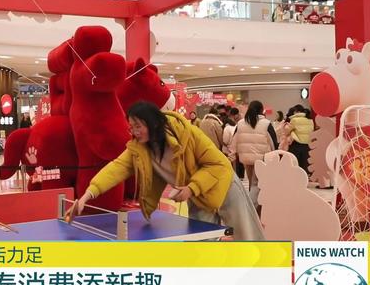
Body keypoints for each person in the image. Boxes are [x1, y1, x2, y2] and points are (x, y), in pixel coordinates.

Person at [74, 101, 264, 241]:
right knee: (201, 240)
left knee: (247, 236)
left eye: (138, 126)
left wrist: (191, 188)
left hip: (224, 185)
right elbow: (116, 168)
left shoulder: (188, 134)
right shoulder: (139, 148)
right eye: (131, 127)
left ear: (153, 123)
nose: (134, 132)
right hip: (196, 196)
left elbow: (218, 165)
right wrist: (87, 195)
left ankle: (265, 273)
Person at [230, 101, 278, 190]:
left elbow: (234, 140)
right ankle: (255, 199)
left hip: (246, 158)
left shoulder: (240, 123)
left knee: (251, 182)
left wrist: (232, 154)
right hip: (262, 158)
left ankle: (251, 197)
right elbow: (273, 142)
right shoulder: (266, 124)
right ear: (261, 110)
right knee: (258, 183)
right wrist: (274, 155)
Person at [288, 106, 314, 174]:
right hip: (307, 145)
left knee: (295, 165)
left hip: (296, 144)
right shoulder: (310, 120)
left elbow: (287, 131)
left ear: (297, 111)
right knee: (305, 165)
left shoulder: (294, 120)